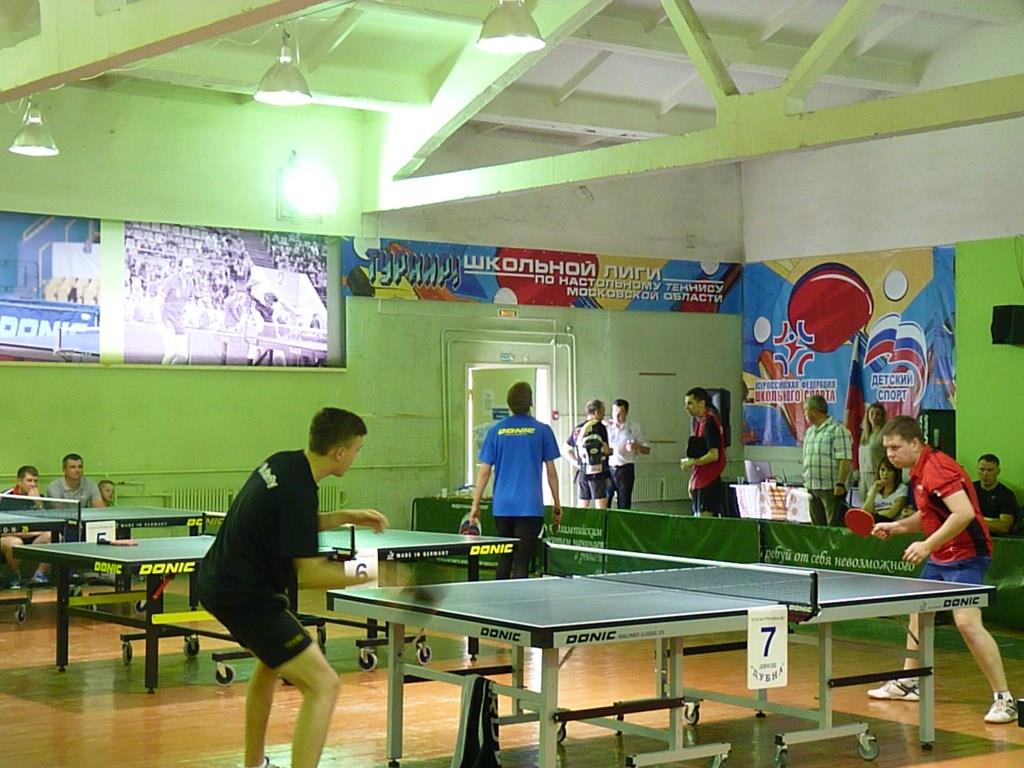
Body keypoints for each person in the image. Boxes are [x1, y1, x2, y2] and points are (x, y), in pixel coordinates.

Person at [197, 408, 389, 768]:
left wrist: (346, 516)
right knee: (324, 685)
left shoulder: (283, 464)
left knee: (270, 663)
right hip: (246, 597)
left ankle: (254, 763)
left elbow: (289, 522)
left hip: (216, 579)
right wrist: (377, 573)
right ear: (340, 452)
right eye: (357, 449)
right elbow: (311, 574)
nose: (356, 456)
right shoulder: (299, 490)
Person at [868, 416, 1015, 724]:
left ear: (915, 443)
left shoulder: (938, 469)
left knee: (967, 623)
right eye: (887, 448)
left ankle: (1005, 699)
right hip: (942, 553)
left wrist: (926, 545)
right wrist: (897, 527)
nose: (890, 454)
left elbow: (962, 513)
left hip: (967, 554)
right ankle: (909, 681)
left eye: (895, 447)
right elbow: (931, 515)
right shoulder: (918, 471)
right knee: (918, 610)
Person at [468, 382, 562, 580]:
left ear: (509, 403)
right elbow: (551, 472)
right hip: (529, 507)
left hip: (502, 507)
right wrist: (557, 503)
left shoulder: (496, 431)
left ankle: (499, 599)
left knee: (504, 558)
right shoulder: (542, 430)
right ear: (531, 402)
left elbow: (484, 471)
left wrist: (475, 505)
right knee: (522, 561)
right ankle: (520, 599)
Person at [801, 395, 852, 526]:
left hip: (830, 488)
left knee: (833, 526)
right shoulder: (809, 432)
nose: (804, 414)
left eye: (805, 410)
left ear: (813, 411)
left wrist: (840, 484)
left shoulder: (837, 429)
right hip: (812, 486)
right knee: (817, 527)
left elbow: (845, 459)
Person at [1, 465, 52, 587]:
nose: (33, 484)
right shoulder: (5, 497)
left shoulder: (39, 497)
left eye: (35, 481)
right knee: (15, 542)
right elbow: (4, 530)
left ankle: (39, 575)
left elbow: (50, 523)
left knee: (52, 536)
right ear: (19, 481)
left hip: (33, 537)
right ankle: (15, 575)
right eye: (29, 480)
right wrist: (34, 532)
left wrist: (38, 503)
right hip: (10, 536)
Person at [681, 387, 728, 517]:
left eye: (690, 403)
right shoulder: (699, 423)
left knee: (704, 521)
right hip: (701, 479)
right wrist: (693, 479)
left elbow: (714, 455)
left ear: (701, 403)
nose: (686, 407)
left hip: (708, 481)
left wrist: (692, 463)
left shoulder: (709, 423)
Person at [562, 399, 610, 509]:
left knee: (582, 504)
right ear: (596, 412)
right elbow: (606, 450)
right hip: (598, 471)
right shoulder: (600, 427)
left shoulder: (578, 429)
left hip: (583, 472)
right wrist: (612, 451)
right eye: (603, 411)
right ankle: (600, 521)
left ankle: (579, 521)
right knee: (601, 504)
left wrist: (577, 463)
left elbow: (565, 449)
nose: (604, 414)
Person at [605, 399, 650, 509]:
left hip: (625, 469)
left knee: (624, 503)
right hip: (608, 469)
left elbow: (647, 450)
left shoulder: (634, 427)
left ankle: (622, 519)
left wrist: (636, 446)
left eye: (620, 413)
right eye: (614, 412)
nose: (616, 416)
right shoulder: (606, 426)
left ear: (626, 413)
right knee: (604, 501)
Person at [160, 255, 198, 364]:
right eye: (187, 267)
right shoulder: (170, 280)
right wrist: (160, 319)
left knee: (183, 356)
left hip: (180, 321)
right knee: (170, 353)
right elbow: (160, 300)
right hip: (167, 320)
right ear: (180, 268)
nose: (189, 270)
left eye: (191, 267)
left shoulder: (191, 283)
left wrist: (190, 317)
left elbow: (189, 302)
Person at [973, 454, 1019, 536]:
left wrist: (975, 521)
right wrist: (991, 521)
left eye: (990, 470)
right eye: (982, 469)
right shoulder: (969, 489)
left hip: (994, 538)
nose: (985, 474)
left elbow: (1004, 527)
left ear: (998, 471)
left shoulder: (1006, 495)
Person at [862, 455, 907, 521]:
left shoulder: (902, 489)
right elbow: (865, 512)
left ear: (896, 473)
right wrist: (874, 491)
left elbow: (891, 513)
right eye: (882, 470)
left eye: (889, 470)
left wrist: (874, 515)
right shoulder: (874, 487)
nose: (885, 474)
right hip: (874, 523)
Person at [857, 402, 887, 503]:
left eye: (878, 414)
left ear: (882, 416)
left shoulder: (884, 434)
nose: (874, 417)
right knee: (864, 506)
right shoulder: (865, 434)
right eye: (872, 413)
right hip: (863, 475)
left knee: (876, 504)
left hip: (876, 475)